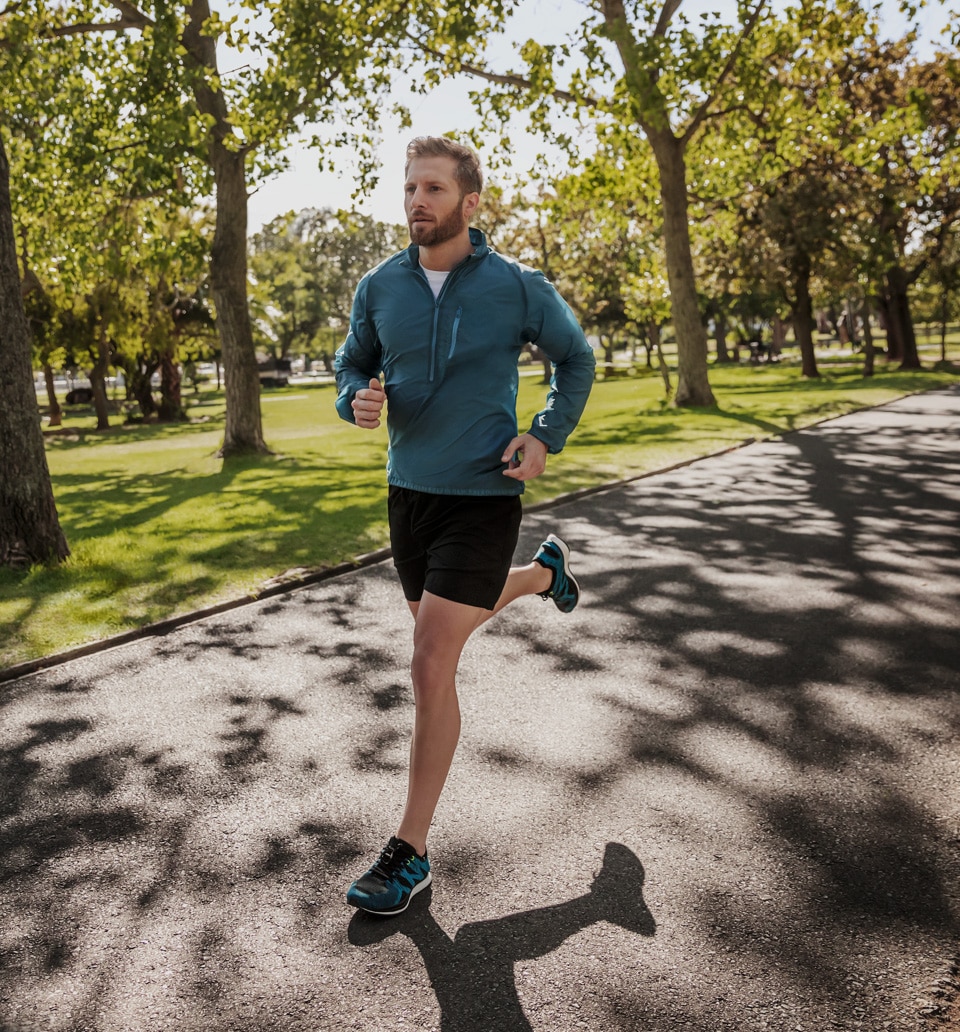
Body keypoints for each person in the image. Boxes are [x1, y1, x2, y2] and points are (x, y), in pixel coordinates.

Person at [334, 136, 595, 916]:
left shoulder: (517, 287)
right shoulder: (379, 285)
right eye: (410, 188)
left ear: (470, 203)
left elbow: (575, 360)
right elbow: (352, 366)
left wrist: (545, 435)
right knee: (443, 633)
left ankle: (408, 851)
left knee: (429, 658)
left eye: (435, 189)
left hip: (483, 494)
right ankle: (545, 576)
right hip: (409, 495)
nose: (417, 201)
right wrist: (356, 400)